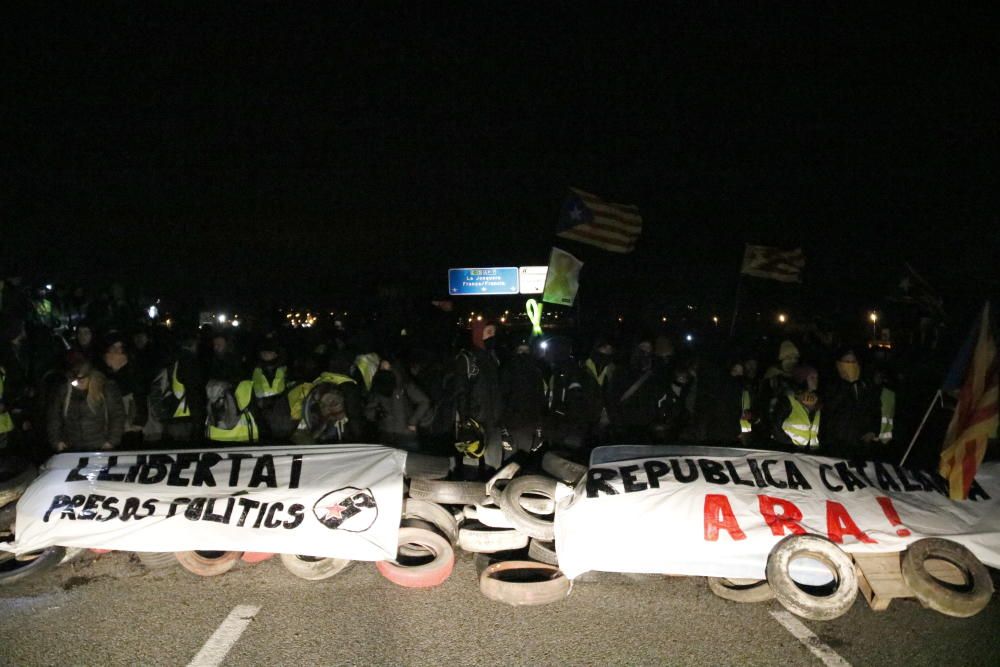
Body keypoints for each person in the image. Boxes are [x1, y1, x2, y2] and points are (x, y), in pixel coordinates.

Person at [47, 356, 125, 452]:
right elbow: (54, 417)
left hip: (100, 447)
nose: (77, 384)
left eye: (81, 380)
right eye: (74, 381)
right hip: (72, 447)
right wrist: (56, 441)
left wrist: (111, 441)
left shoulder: (105, 388)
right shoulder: (64, 391)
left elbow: (117, 415)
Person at [453, 320, 503, 470]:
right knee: (471, 459)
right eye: (488, 332)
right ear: (478, 333)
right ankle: (469, 489)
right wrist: (465, 421)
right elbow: (461, 391)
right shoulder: (467, 359)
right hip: (474, 420)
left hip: (493, 419)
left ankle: (493, 489)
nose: (492, 336)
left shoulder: (493, 358)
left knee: (493, 463)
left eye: (493, 333)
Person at [820, 348, 881, 457]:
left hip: (861, 443)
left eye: (853, 362)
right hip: (838, 444)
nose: (850, 365)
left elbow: (875, 408)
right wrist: (846, 385)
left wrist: (873, 430)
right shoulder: (832, 385)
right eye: (847, 362)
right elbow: (829, 409)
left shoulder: (865, 385)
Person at [365, 360, 431, 450]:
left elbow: (424, 401)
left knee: (410, 461)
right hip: (386, 434)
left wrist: (413, 421)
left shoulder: (405, 385)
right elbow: (369, 409)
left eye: (387, 368)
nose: (384, 370)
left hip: (405, 435)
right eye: (382, 368)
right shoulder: (378, 386)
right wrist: (376, 414)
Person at [100, 331, 146, 448]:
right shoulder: (100, 369)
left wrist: (139, 420)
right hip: (107, 418)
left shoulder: (133, 367)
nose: (116, 351)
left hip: (129, 418)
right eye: (113, 347)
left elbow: (140, 394)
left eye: (119, 347)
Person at [609, 340, 661, 443]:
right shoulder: (622, 370)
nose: (646, 351)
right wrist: (617, 421)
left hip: (646, 423)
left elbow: (656, 395)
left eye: (649, 348)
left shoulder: (654, 372)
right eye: (643, 347)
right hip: (625, 421)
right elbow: (613, 396)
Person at [500, 339, 545, 453]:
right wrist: (503, 430)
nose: (523, 354)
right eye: (520, 350)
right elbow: (501, 399)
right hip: (512, 426)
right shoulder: (507, 371)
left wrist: (539, 429)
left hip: (529, 426)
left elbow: (539, 401)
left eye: (526, 351)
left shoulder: (536, 373)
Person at [162, 330, 206, 444]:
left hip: (171, 410)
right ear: (194, 344)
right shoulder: (189, 361)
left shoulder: (173, 358)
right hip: (185, 415)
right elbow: (194, 390)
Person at [770, 365, 821, 451]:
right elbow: (775, 427)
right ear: (803, 380)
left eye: (816, 377)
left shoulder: (817, 402)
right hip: (789, 451)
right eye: (812, 377)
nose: (816, 381)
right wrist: (790, 443)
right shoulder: (788, 400)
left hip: (810, 452)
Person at [580, 340, 615, 447]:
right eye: (604, 348)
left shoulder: (612, 368)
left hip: (605, 415)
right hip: (585, 413)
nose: (607, 351)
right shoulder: (583, 366)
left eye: (610, 349)